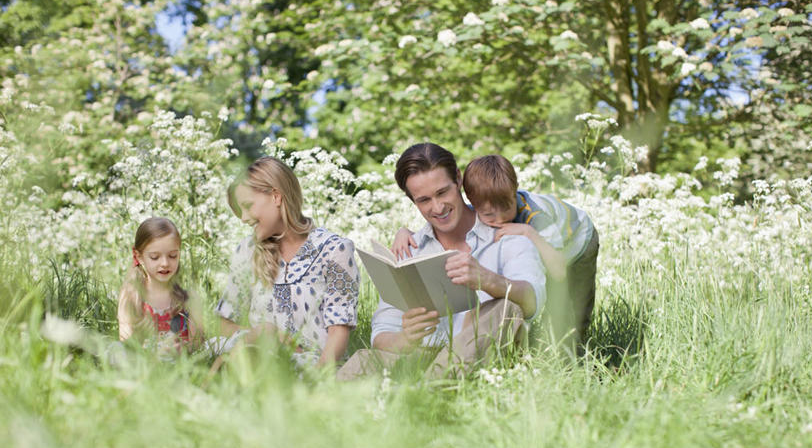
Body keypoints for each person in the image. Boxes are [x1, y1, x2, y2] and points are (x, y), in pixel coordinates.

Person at [336, 143, 547, 380]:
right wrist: (405, 338)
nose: (437, 207)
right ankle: (419, 393)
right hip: (422, 359)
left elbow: (532, 301)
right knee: (364, 362)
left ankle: (428, 396)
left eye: (442, 193)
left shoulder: (506, 235)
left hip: (485, 362)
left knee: (506, 307)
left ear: (458, 179)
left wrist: (488, 280)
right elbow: (382, 335)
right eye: (424, 200)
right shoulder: (409, 251)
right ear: (413, 201)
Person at [392, 154, 599, 345]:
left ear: (515, 189)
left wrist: (529, 233)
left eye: (508, 208)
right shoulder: (480, 205)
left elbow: (559, 271)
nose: (500, 220)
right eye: (489, 215)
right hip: (544, 243)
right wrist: (405, 231)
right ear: (471, 201)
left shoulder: (536, 219)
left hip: (577, 242)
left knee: (570, 307)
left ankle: (575, 355)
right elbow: (453, 220)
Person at [213, 156, 359, 370]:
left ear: (276, 196)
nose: (243, 218)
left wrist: (316, 381)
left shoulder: (334, 250)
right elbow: (223, 323)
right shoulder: (247, 251)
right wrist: (263, 334)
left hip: (314, 368)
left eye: (247, 206)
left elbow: (339, 331)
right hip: (257, 362)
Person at [118, 217, 203, 353]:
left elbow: (198, 345)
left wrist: (182, 349)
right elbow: (126, 343)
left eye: (172, 256)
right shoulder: (131, 296)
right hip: (144, 365)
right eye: (155, 257)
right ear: (139, 256)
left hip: (179, 365)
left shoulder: (189, 299)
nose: (165, 263)